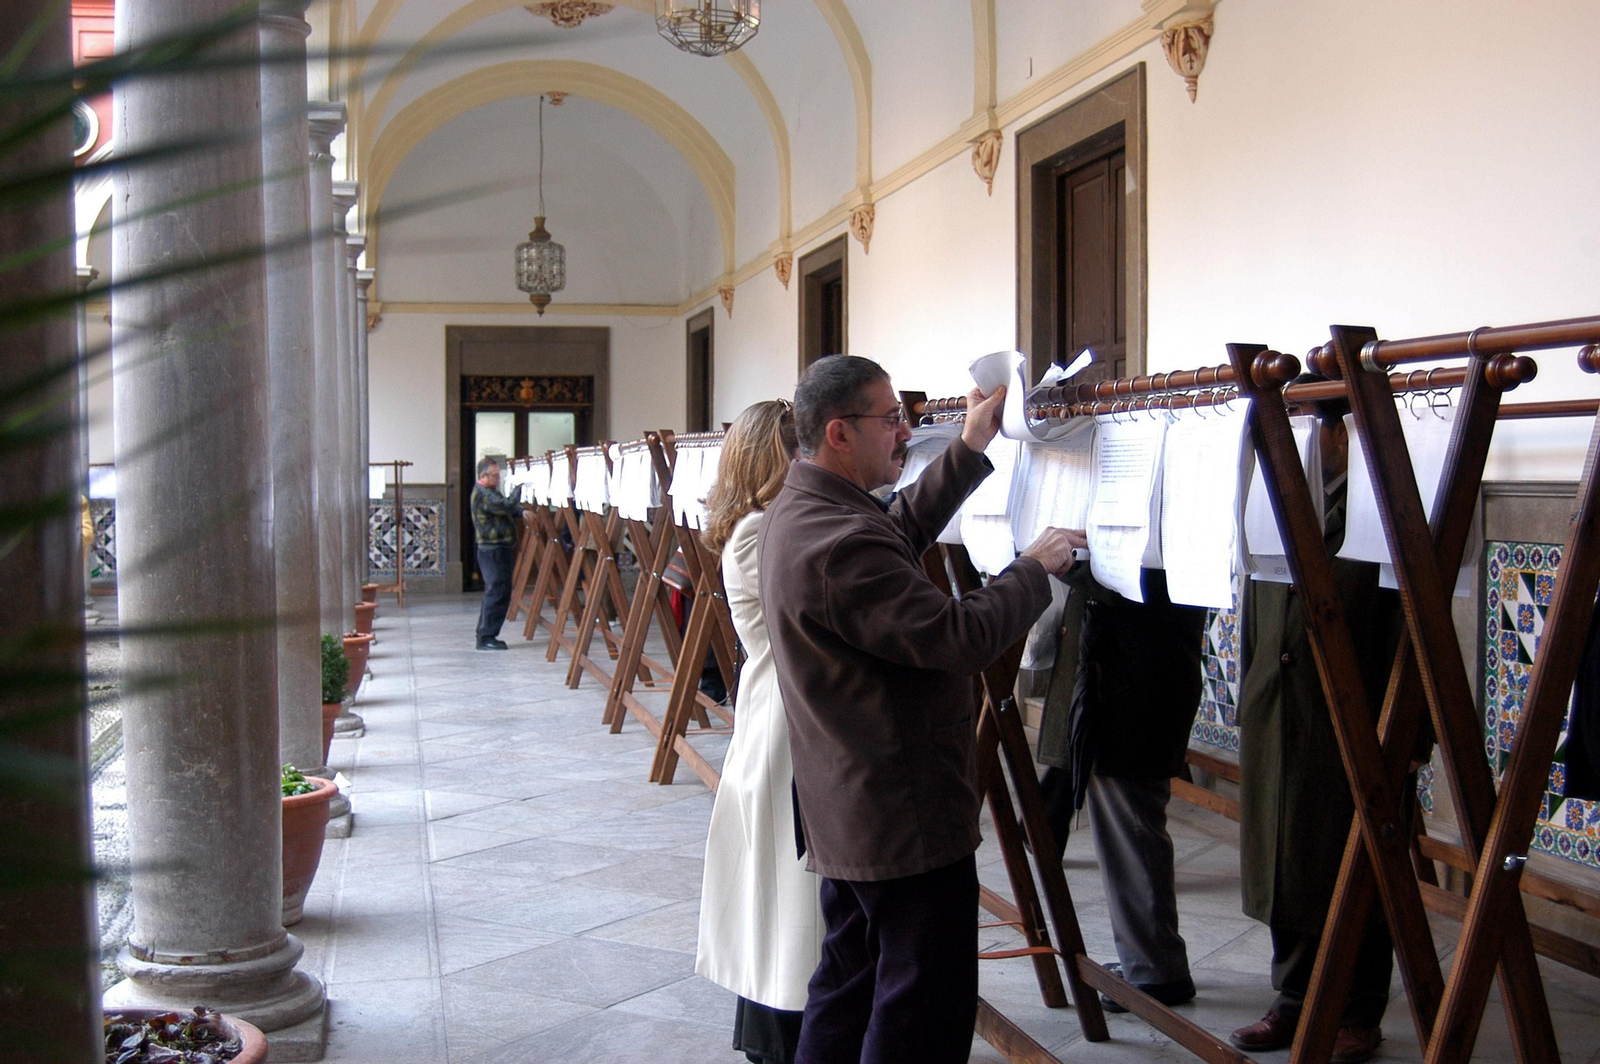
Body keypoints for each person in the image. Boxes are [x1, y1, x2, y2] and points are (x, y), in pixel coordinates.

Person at [758, 354, 1081, 1064]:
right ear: (840, 433)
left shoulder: (811, 507)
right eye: (891, 419)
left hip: (853, 808)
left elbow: (894, 531)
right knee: (921, 1009)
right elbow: (957, 638)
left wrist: (970, 446)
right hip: (897, 816)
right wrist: (1033, 568)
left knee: (850, 983)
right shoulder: (836, 539)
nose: (904, 432)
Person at [1229, 390, 1405, 1064]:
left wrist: (1406, 739)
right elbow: (1253, 601)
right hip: (1278, 707)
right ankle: (1295, 998)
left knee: (1351, 861)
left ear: (1340, 436)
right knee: (1285, 859)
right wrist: (1250, 694)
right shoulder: (1276, 504)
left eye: (1313, 427)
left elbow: (1403, 632)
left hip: (1348, 721)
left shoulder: (1378, 510)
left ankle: (1358, 1010)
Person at [695, 399, 821, 1064]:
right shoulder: (760, 530)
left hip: (781, 709)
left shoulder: (764, 523)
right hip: (784, 719)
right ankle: (780, 1041)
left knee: (785, 893)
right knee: (786, 893)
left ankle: (784, 1033)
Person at [1035, 565, 1206, 1012]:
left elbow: (1139, 580)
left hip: (1138, 677)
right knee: (1127, 827)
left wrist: (1070, 561)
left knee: (1132, 826)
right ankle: (1149, 963)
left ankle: (1156, 972)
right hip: (1124, 675)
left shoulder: (1171, 523)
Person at [468, 457, 524, 650]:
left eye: (498, 474)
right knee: (496, 592)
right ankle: (486, 637)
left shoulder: (488, 492)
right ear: (483, 475)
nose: (498, 478)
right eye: (494, 475)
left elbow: (504, 509)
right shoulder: (484, 494)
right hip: (492, 550)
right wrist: (520, 486)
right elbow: (505, 505)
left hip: (497, 548)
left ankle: (486, 634)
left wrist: (521, 512)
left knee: (498, 591)